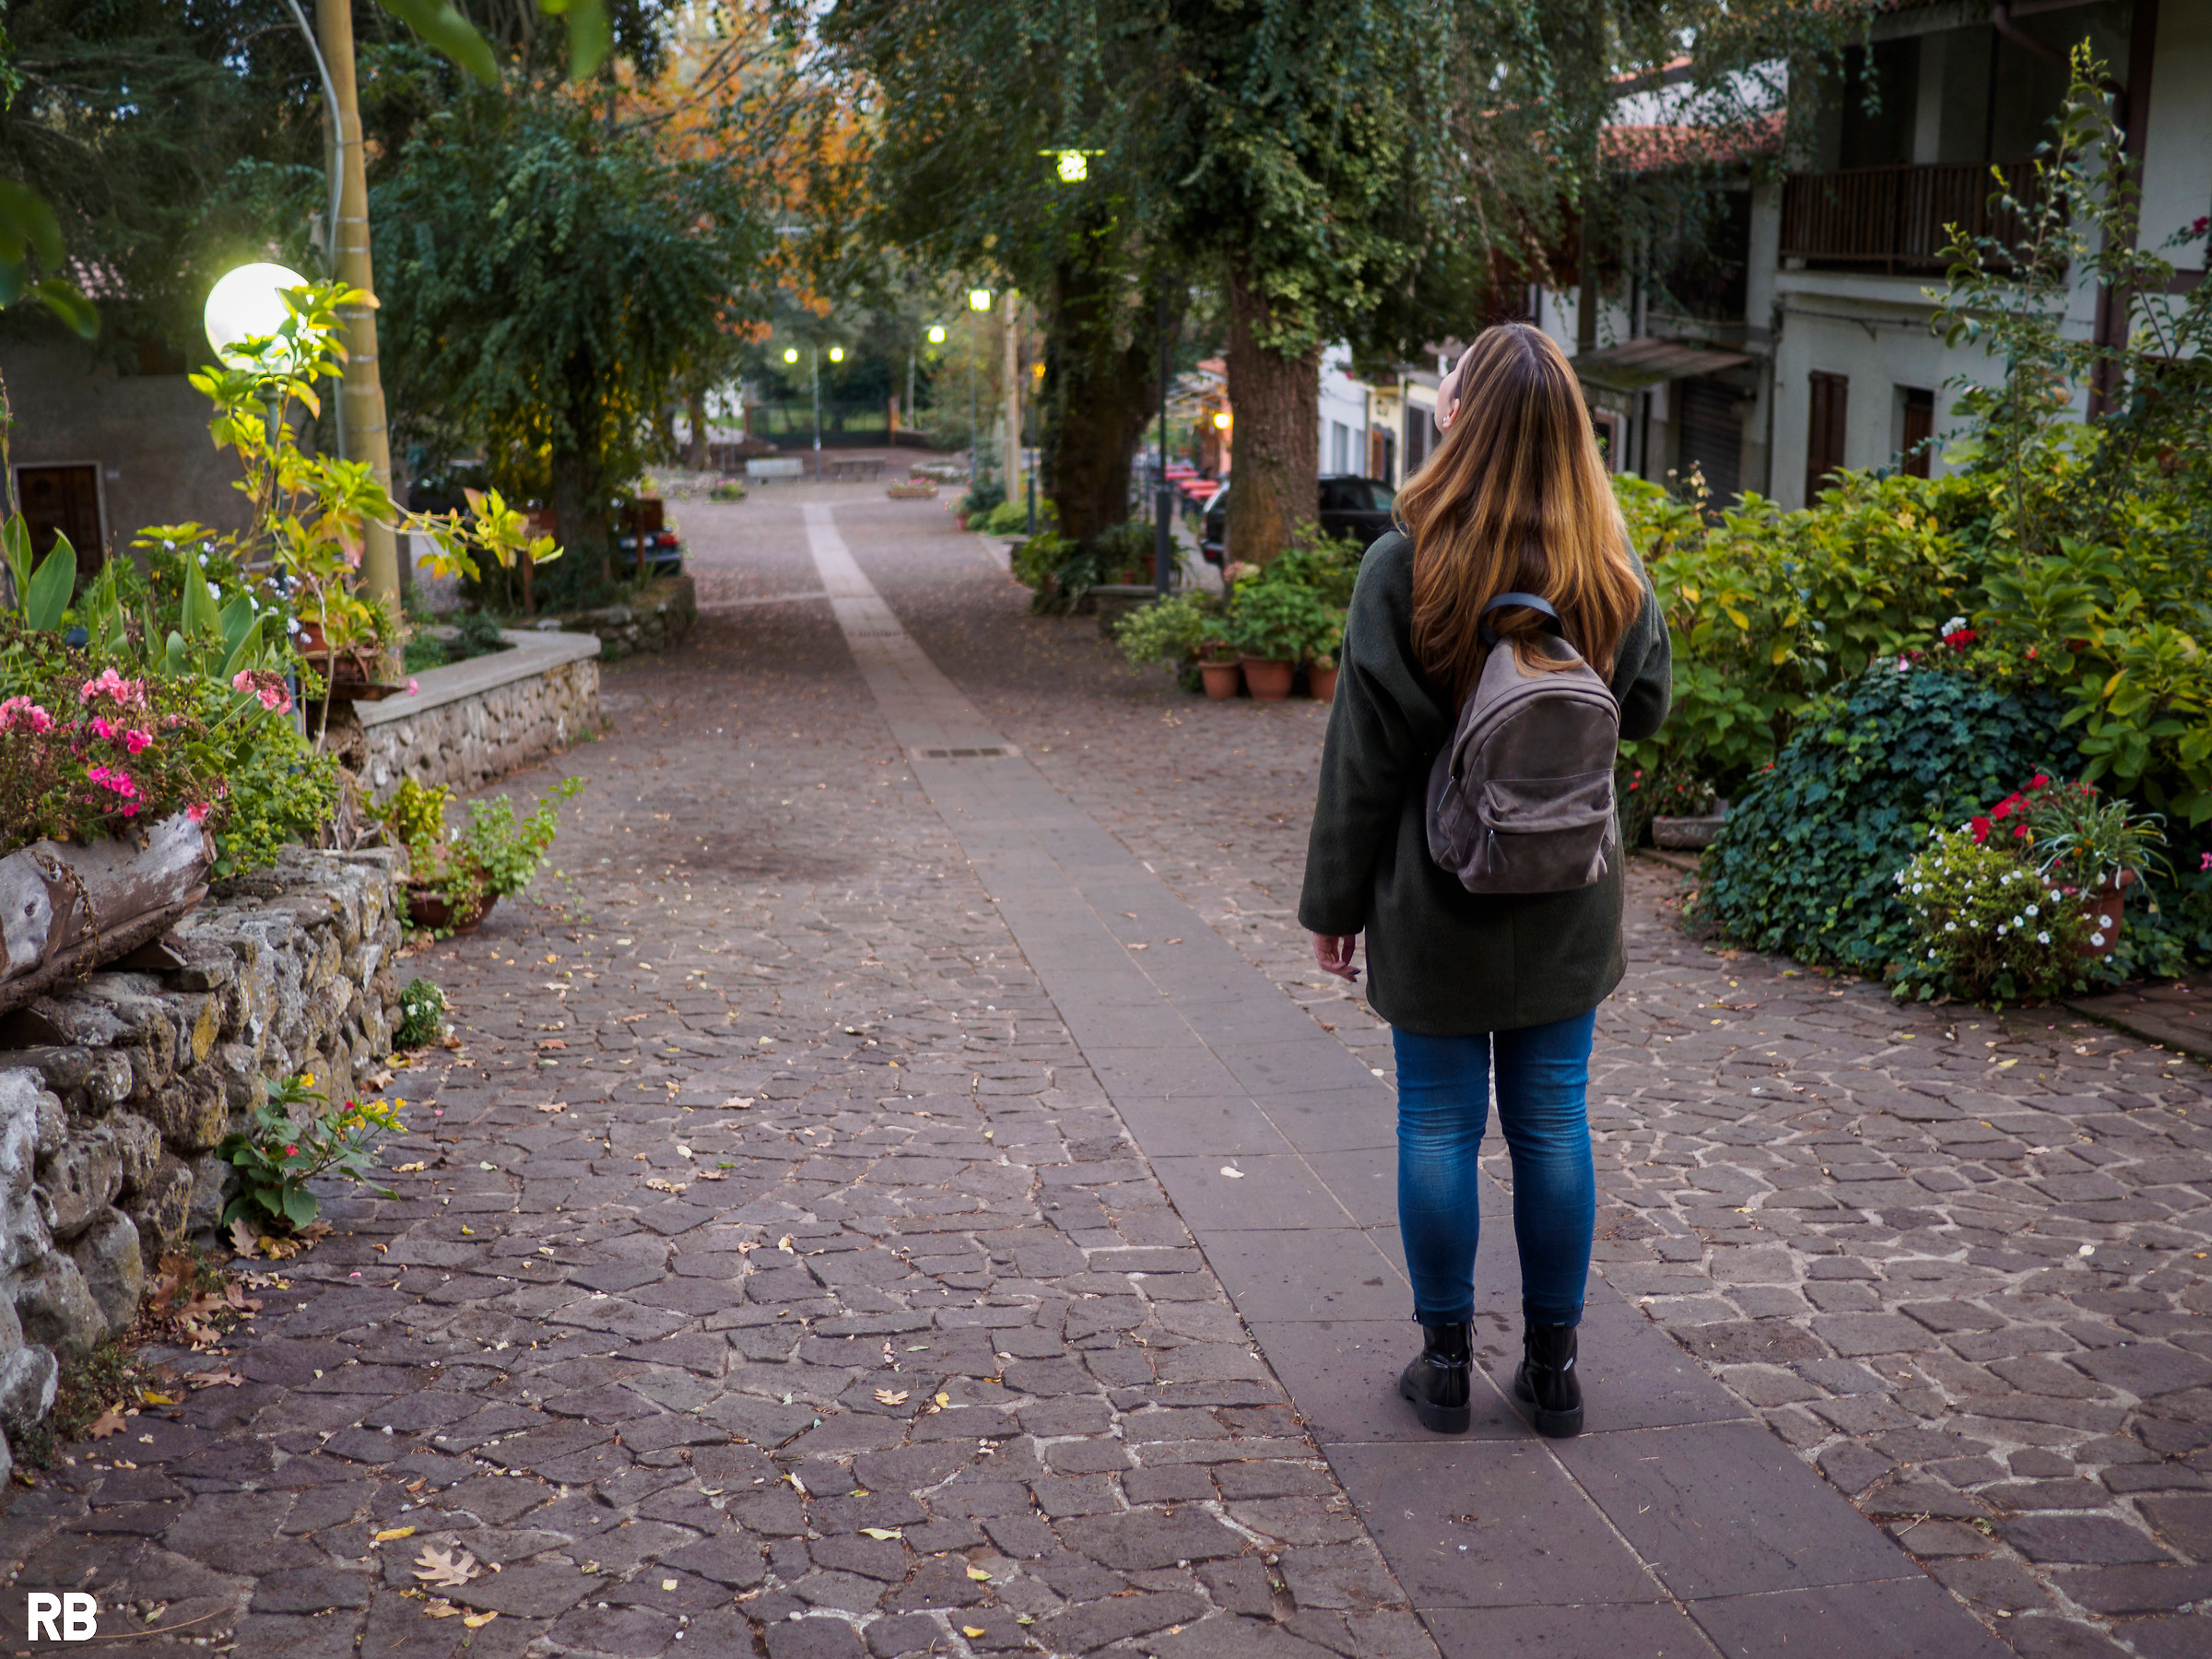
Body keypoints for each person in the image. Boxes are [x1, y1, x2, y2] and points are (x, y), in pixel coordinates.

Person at [1299, 323, 1671, 1437]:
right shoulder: (1606, 567)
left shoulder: (1405, 565)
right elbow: (1649, 709)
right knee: (1553, 1121)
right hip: (1567, 891)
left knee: (1438, 1123)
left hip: (1435, 893)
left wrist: (1333, 906)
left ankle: (1447, 1365)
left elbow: (1363, 760)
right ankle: (1554, 1372)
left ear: (1457, 419)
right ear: (1571, 432)